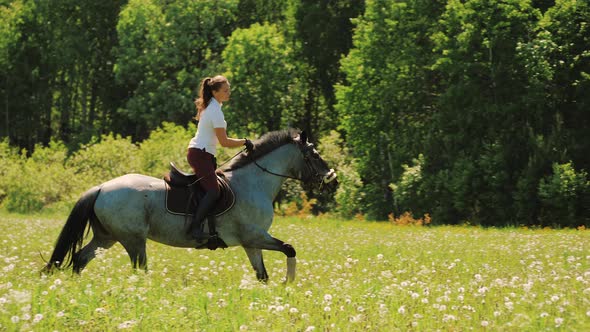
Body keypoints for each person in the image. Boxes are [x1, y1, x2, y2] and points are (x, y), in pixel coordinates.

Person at [187, 75, 253, 241]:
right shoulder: (214, 110)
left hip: (202, 153)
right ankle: (194, 228)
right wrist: (244, 141)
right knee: (213, 191)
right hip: (200, 154)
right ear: (215, 92)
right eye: (225, 90)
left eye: (228, 89)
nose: (229, 92)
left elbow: (217, 140)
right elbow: (224, 142)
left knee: (213, 188)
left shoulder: (212, 107)